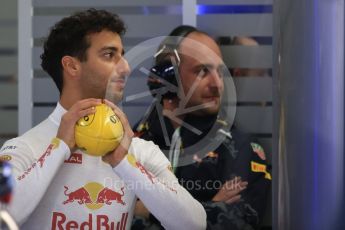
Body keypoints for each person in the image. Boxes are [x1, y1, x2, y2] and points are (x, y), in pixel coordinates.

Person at [0, 9, 206, 229]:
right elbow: (5, 214)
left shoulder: (139, 151)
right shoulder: (24, 148)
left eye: (123, 55)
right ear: (71, 66)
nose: (125, 67)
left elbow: (193, 224)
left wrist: (123, 162)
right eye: (109, 55)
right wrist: (59, 148)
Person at [132, 26, 271, 229]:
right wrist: (209, 208)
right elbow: (116, 218)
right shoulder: (133, 143)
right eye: (202, 71)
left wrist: (149, 211)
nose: (218, 84)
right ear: (169, 79)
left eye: (220, 71)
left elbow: (236, 223)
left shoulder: (242, 148)